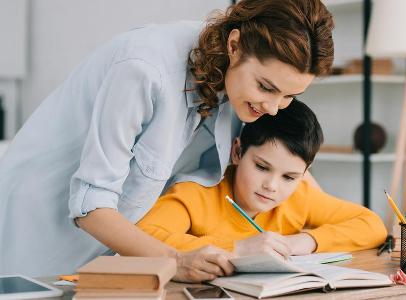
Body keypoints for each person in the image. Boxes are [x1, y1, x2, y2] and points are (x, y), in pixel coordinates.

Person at [0, 0, 334, 281]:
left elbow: (288, 163)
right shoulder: (144, 68)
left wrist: (321, 214)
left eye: (290, 96)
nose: (274, 108)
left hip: (117, 252)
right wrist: (176, 260)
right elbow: (90, 203)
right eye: (266, 87)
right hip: (37, 230)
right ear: (235, 45)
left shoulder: (242, 90)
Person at [136, 100, 388, 257]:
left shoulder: (300, 196)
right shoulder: (195, 194)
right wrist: (240, 248)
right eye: (261, 167)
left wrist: (304, 242)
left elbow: (371, 225)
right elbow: (143, 237)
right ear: (237, 151)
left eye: (289, 176)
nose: (272, 186)